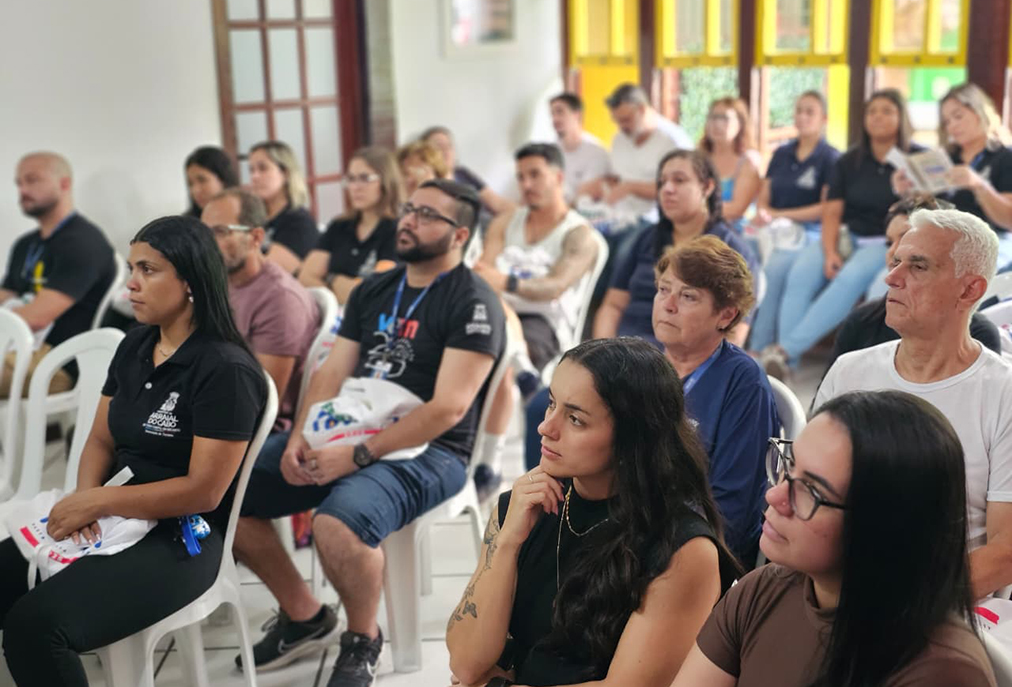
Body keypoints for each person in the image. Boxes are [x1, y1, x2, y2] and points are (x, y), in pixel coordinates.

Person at [233, 179, 506, 685]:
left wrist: (358, 456)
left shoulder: (473, 302)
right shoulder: (375, 288)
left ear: (460, 234)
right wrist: (301, 436)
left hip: (430, 450)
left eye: (427, 215)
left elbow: (448, 409)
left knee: (336, 525)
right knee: (227, 491)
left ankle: (363, 639)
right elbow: (331, 372)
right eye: (408, 209)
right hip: (349, 428)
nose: (407, 220)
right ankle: (305, 615)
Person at [0, 215, 267, 687]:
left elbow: (203, 491)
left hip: (182, 536)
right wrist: (84, 500)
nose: (131, 285)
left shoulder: (225, 369)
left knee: (37, 628)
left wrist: (99, 501)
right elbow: (101, 438)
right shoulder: (137, 343)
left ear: (190, 281)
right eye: (131, 269)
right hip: (114, 513)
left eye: (148, 270)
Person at [447, 338, 737, 687]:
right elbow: (465, 665)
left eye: (575, 419)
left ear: (633, 437)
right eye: (550, 404)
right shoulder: (525, 507)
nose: (546, 428)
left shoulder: (681, 550)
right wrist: (508, 542)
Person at [672, 391, 995, 687]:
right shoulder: (761, 591)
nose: (774, 495)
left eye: (811, 491)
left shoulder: (940, 672)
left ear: (884, 524)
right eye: (790, 466)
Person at [815, 208, 1012, 600]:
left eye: (918, 266)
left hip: (940, 603)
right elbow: (805, 496)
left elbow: (1005, 552)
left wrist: (896, 604)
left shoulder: (1003, 394)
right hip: (834, 587)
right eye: (895, 261)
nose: (891, 277)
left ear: (969, 290)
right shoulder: (849, 372)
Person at [473, 142, 600, 500]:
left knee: (492, 349)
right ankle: (522, 372)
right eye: (521, 177)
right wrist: (499, 288)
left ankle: (488, 461)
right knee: (482, 327)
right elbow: (484, 274)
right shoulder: (504, 222)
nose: (526, 184)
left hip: (544, 326)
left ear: (558, 177)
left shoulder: (578, 234)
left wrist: (508, 283)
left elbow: (556, 286)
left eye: (535, 175)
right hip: (502, 315)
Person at [762, 89, 921, 374]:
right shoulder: (849, 161)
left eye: (887, 111)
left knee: (847, 279)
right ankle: (789, 364)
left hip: (886, 241)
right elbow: (832, 211)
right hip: (847, 235)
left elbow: (928, 206)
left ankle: (784, 352)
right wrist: (830, 250)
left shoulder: (918, 156)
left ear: (901, 117)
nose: (878, 117)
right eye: (872, 111)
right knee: (800, 273)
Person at [653, 237, 779, 567]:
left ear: (725, 315)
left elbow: (731, 513)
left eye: (688, 296)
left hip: (693, 557)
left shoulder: (744, 384)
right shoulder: (642, 367)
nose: (668, 305)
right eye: (664, 289)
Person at [593, 149, 759, 348]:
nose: (667, 189)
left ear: (707, 187)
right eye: (662, 182)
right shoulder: (647, 239)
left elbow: (734, 334)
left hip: (682, 361)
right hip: (624, 352)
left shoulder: (729, 250)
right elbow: (613, 305)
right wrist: (603, 352)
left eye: (679, 180)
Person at [828, 195, 1001, 371]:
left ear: (969, 290)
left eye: (918, 266)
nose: (893, 252)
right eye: (889, 242)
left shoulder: (981, 338)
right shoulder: (862, 321)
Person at [202, 188, 320, 427]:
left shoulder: (280, 300)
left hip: (258, 429)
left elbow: (262, 402)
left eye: (221, 232)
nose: (208, 244)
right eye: (204, 233)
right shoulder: (218, 282)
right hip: (212, 405)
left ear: (256, 238)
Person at [1, 152, 115, 397]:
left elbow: (36, 318)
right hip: (16, 350)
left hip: (56, 362)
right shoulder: (25, 244)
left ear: (64, 183)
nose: (22, 190)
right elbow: (4, 295)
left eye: (32, 180)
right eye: (19, 183)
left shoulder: (83, 242)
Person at [747, 91, 841, 354]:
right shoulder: (781, 154)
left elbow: (825, 209)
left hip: (810, 233)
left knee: (776, 270)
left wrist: (780, 215)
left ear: (824, 118)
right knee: (740, 254)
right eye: (799, 110)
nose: (802, 117)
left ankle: (761, 349)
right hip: (772, 227)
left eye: (809, 111)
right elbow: (764, 196)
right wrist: (766, 213)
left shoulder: (830, 158)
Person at [895, 82, 1012, 268]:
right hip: (944, 239)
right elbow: (928, 208)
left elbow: (1008, 221)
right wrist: (908, 192)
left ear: (979, 112)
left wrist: (979, 185)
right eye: (947, 121)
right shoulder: (947, 158)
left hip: (992, 240)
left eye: (958, 116)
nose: (952, 126)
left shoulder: (1004, 157)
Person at [300, 147, 404, 304]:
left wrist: (330, 278)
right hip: (336, 316)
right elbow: (305, 277)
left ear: (386, 181)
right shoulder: (339, 226)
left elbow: (377, 291)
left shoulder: (397, 228)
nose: (355, 187)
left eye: (365, 178)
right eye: (351, 179)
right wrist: (336, 288)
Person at [580, 83, 694, 224]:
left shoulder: (673, 141)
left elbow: (680, 189)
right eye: (617, 121)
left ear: (642, 109)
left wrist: (630, 188)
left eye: (626, 120)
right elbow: (618, 178)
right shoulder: (619, 139)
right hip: (618, 216)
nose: (622, 126)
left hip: (655, 221)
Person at [248, 140, 319, 273]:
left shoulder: (299, 222)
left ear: (285, 173)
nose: (254, 176)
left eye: (263, 168)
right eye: (251, 170)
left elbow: (265, 273)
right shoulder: (255, 219)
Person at [423, 125, 514, 217]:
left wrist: (524, 212)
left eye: (449, 145)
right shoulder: (426, 183)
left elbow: (497, 203)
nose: (446, 150)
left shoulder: (462, 173)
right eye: (439, 146)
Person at [700, 97, 763, 229]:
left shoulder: (748, 161)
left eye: (724, 118)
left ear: (740, 124)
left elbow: (737, 209)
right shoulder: (698, 158)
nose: (717, 124)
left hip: (733, 233)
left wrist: (692, 210)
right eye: (712, 117)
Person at [549, 92, 612, 203]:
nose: (555, 119)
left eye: (560, 112)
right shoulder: (550, 152)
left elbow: (587, 193)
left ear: (576, 114)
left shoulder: (596, 152)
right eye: (552, 114)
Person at [184, 145, 239, 218]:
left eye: (202, 180)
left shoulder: (245, 217)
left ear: (223, 179)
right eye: (190, 183)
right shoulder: (187, 224)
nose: (195, 190)